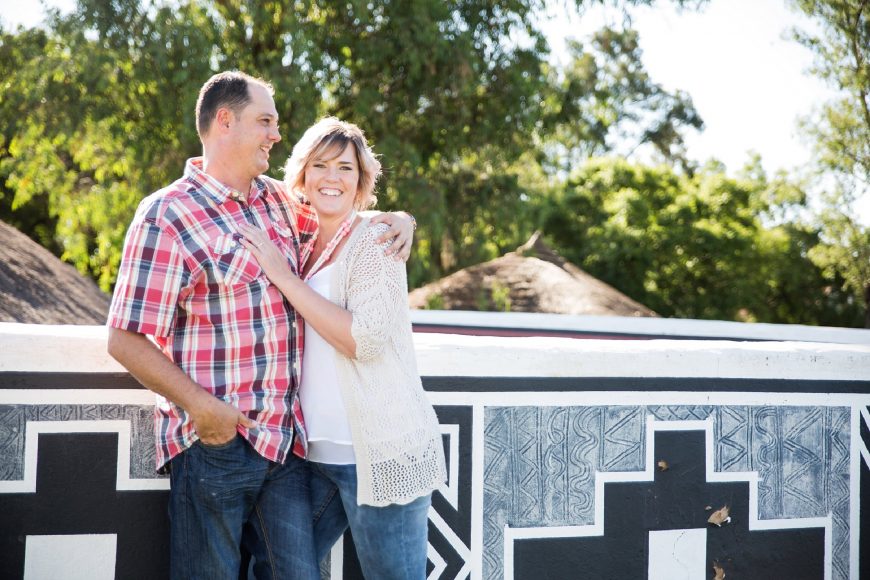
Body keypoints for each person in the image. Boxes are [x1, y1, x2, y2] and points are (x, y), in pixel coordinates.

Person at [105, 71, 415, 580]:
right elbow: (124, 338)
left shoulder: (278, 202)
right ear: (226, 121)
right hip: (213, 446)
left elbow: (342, 211)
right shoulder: (167, 214)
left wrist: (400, 220)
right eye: (266, 121)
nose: (276, 134)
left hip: (283, 449)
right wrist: (203, 409)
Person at [238, 117, 446, 579]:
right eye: (320, 165)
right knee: (274, 570)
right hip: (311, 458)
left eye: (345, 168)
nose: (332, 177)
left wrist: (283, 278)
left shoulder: (376, 240)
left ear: (361, 180)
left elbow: (363, 340)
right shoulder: (297, 238)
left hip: (380, 450)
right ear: (303, 175)